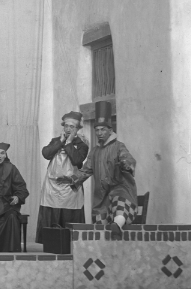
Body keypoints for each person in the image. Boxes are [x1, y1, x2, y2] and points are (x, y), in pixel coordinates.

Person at [57, 101, 137, 237]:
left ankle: (117, 224)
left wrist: (126, 164)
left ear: (110, 130)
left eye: (103, 129)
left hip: (121, 189)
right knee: (100, 224)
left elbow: (128, 159)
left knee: (121, 207)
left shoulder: (118, 146)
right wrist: (71, 179)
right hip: (102, 195)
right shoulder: (94, 151)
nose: (99, 133)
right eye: (97, 130)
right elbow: (86, 170)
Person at [35, 111, 89, 243]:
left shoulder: (82, 145)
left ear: (77, 129)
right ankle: (50, 242)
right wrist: (60, 142)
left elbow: (77, 160)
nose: (69, 129)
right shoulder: (55, 141)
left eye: (72, 127)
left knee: (69, 214)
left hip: (70, 187)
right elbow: (46, 153)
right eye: (66, 126)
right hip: (52, 186)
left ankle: (70, 243)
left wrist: (69, 143)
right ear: (63, 127)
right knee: (51, 213)